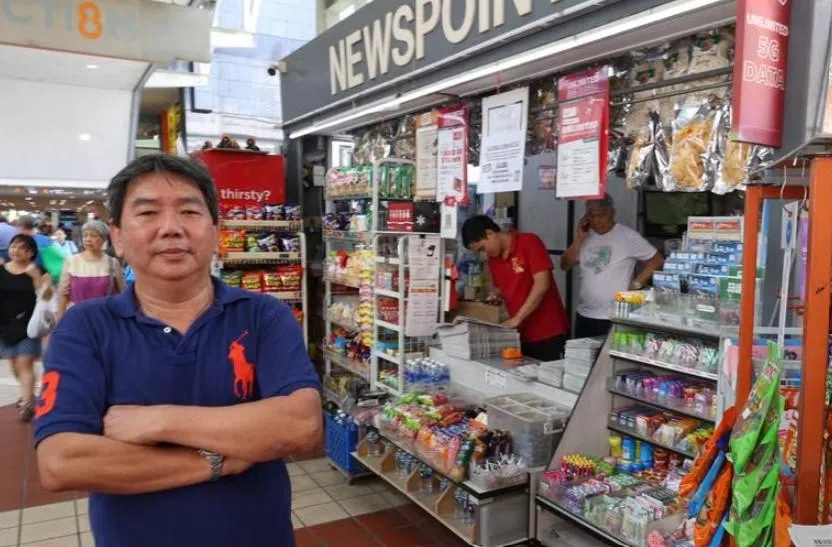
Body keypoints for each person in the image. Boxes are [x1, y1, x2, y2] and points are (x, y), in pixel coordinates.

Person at [34, 154, 322, 547]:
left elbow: (300, 425)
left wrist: (159, 422)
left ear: (215, 230)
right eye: (148, 213)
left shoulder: (263, 316)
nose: (171, 229)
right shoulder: (85, 328)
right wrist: (219, 459)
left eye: (189, 210)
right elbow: (62, 462)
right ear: (117, 236)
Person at [462, 215, 569, 361]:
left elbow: (542, 284)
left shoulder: (529, 242)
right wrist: (496, 295)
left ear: (490, 234)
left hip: (548, 332)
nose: (484, 253)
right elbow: (504, 288)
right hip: (519, 335)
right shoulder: (493, 260)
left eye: (482, 248)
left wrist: (518, 318)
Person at [561, 194, 664, 339]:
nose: (596, 221)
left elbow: (657, 260)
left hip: (614, 315)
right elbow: (565, 265)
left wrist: (636, 283)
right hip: (585, 314)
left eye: (601, 215)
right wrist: (579, 239)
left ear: (612, 213)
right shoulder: (585, 236)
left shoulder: (627, 236)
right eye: (591, 216)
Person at [0, 235, 51, 421]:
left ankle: (28, 404)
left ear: (31, 252)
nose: (15, 250)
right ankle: (27, 392)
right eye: (13, 246)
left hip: (29, 325)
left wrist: (36, 277)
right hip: (5, 325)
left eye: (21, 248)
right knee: (14, 363)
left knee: (25, 362)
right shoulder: (1, 269)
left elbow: (47, 297)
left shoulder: (38, 270)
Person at [57, 220, 125, 318]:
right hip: (77, 317)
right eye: (85, 236)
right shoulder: (71, 261)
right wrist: (60, 320)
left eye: (93, 236)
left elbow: (122, 292)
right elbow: (63, 293)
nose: (88, 239)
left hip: (106, 317)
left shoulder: (112, 263)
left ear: (104, 239)